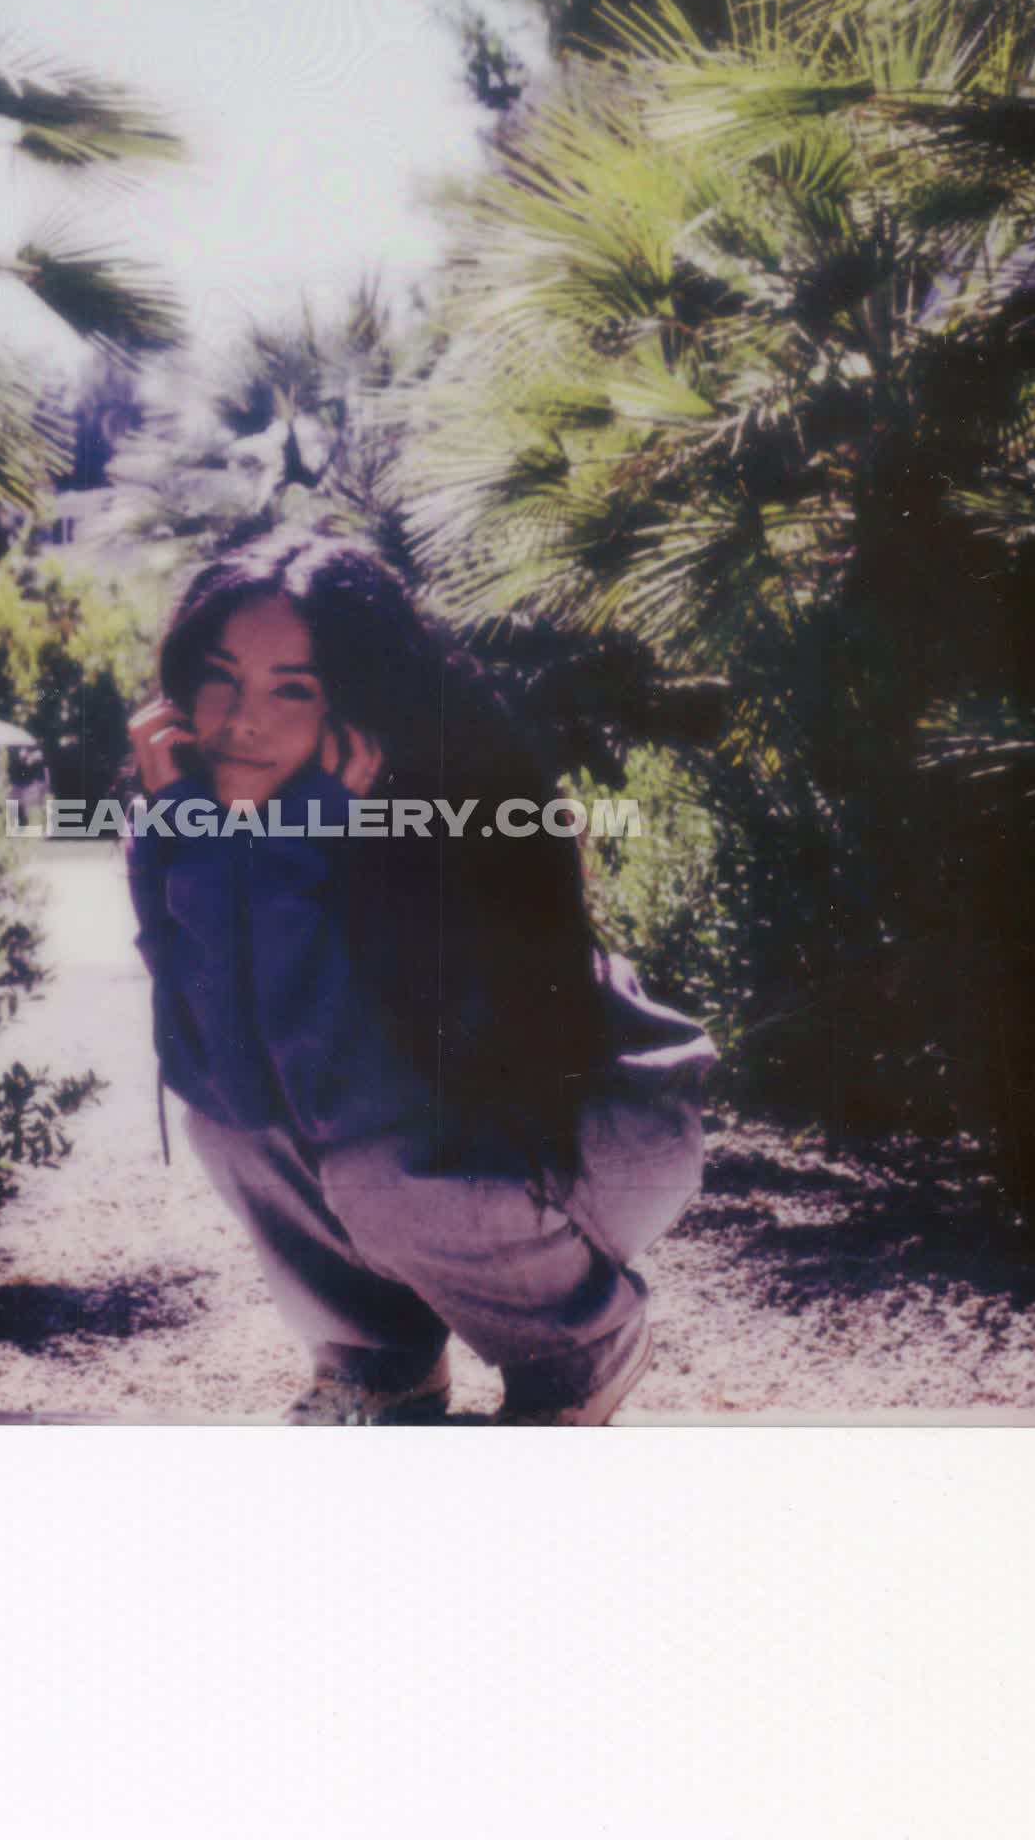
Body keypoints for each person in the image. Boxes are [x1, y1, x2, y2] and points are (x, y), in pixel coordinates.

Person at [124, 531, 653, 1425]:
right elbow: (228, 1079)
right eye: (220, 678)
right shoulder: (195, 823)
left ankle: (581, 1344)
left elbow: (337, 1085)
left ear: (357, 708)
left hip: (595, 1127)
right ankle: (383, 1357)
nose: (241, 720)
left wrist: (298, 844)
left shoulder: (438, 826)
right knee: (230, 1126)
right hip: (421, 1132)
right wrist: (205, 842)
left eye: (293, 688)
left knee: (373, 1163)